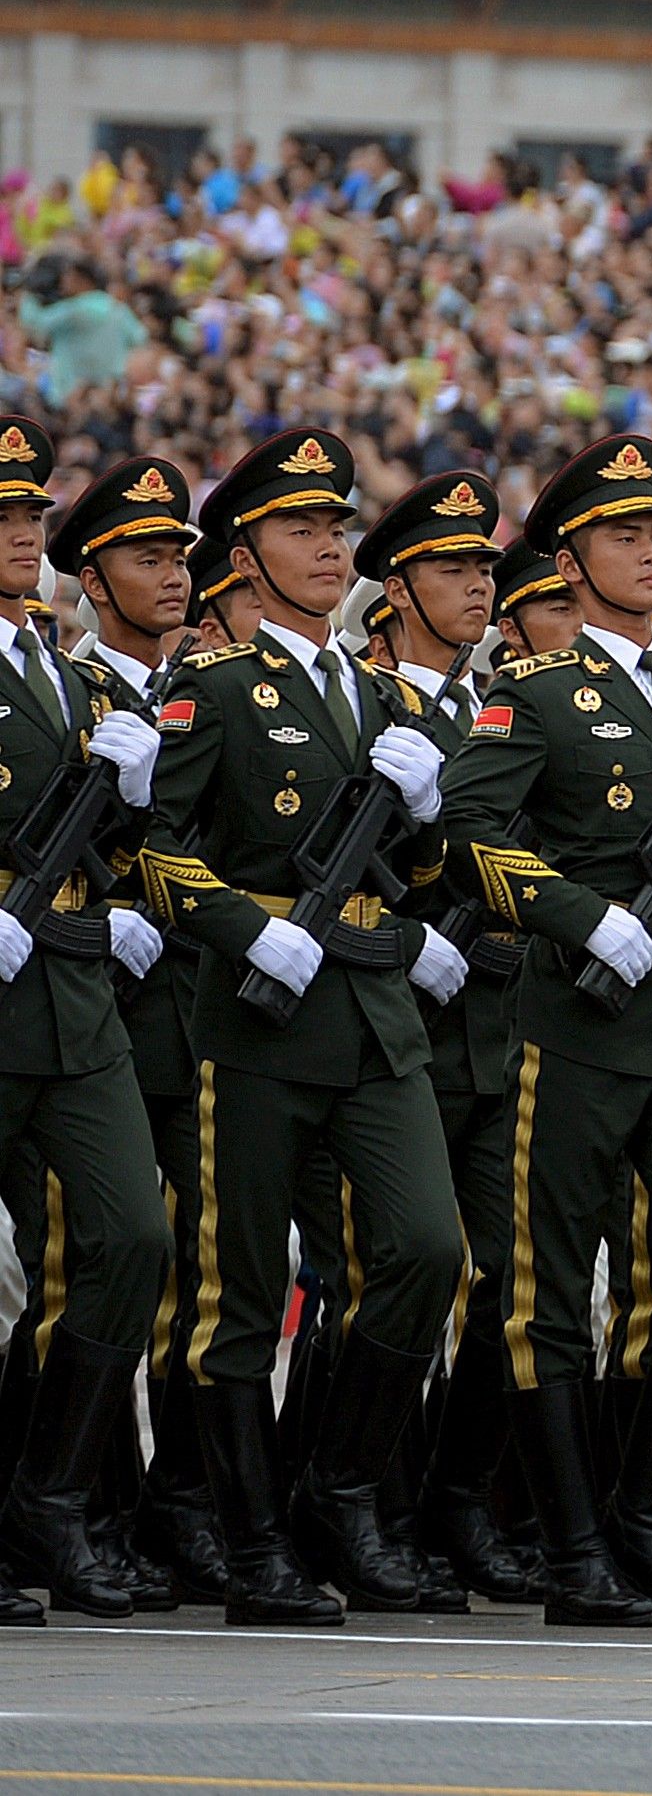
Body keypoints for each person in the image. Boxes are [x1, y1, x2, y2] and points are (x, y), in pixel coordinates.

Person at [133, 431, 476, 1625]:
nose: (329, 549)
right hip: (260, 1021)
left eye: (336, 529)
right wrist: (242, 928)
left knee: (427, 1253)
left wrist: (425, 809)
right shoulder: (213, 688)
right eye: (298, 531)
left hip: (375, 1018)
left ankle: (336, 1489)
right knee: (238, 1293)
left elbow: (422, 869)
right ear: (246, 557)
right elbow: (157, 854)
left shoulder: (380, 695)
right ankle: (252, 1542)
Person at [437, 435, 652, 1627]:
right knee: (548, 1293)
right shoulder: (534, 692)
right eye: (624, 536)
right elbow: (471, 834)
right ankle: (577, 1547)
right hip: (577, 1023)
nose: (648, 553)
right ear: (570, 561)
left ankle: (644, 1510)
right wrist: (579, 921)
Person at [353, 466, 542, 1612]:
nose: (478, 585)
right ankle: (358, 1498)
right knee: (399, 1272)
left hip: (494, 1034)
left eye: (485, 567)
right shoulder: (365, 704)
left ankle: (453, 1501)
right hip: (387, 1031)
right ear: (401, 587)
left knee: (514, 1277)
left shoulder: (496, 709)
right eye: (454, 569)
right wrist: (409, 937)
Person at [0, 422, 176, 1623]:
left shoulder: (58, 664)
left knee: (131, 1237)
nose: (24, 535)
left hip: (68, 992)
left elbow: (91, 843)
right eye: (3, 520)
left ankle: (49, 1500)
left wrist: (127, 813)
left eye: (28, 517)